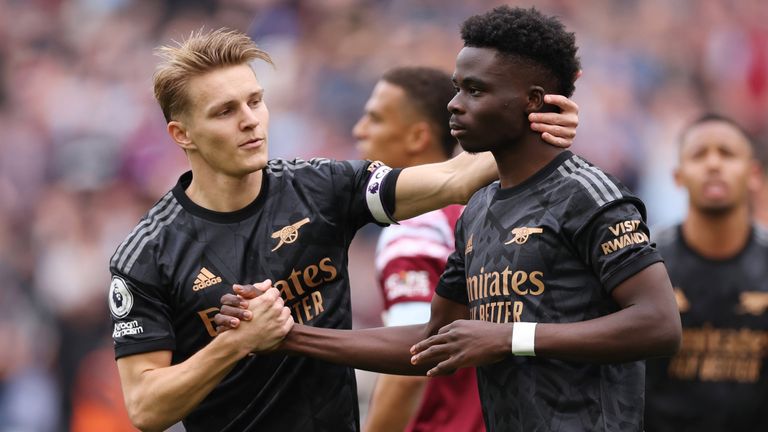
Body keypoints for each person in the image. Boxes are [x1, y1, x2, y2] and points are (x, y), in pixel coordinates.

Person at [217, 7, 682, 432]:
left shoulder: (587, 194)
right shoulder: (479, 208)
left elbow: (658, 323)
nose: (454, 104)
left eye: (475, 90)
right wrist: (288, 335)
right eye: (457, 87)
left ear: (532, 99)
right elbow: (429, 343)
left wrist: (511, 338)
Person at [108, 28, 579, 432]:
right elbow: (147, 408)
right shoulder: (147, 255)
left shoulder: (321, 187)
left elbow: (454, 178)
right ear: (181, 134)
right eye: (224, 111)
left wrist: (533, 123)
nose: (250, 120)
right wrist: (234, 343)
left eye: (255, 101)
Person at [353, 66, 484, 432]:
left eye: (374, 119)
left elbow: (412, 363)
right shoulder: (481, 210)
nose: (359, 130)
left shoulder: (415, 229)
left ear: (417, 136)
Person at [644, 114, 768, 432]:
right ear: (678, 177)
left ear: (754, 174)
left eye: (727, 153)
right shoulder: (645, 263)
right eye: (699, 154)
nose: (713, 164)